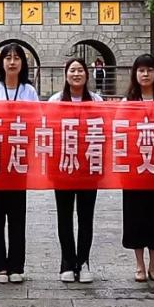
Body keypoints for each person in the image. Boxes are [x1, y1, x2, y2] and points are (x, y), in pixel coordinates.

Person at [0, 43, 40, 284]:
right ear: (1, 62)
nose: (12, 62)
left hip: (19, 158)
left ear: (23, 63)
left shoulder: (28, 91)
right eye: (7, 58)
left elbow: (36, 121)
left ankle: (16, 265)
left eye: (16, 58)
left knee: (17, 214)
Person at [48, 58, 103, 283]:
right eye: (72, 70)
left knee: (86, 217)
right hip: (63, 166)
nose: (76, 74)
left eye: (80, 70)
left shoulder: (97, 100)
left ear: (87, 74)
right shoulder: (55, 101)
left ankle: (84, 261)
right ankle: (67, 262)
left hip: (89, 166)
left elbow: (104, 133)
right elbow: (49, 133)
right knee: (64, 216)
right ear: (66, 74)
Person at [122, 54, 154, 282]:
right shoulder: (127, 102)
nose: (145, 74)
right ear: (135, 74)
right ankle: (139, 264)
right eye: (141, 70)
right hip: (135, 170)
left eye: (150, 70)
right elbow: (120, 133)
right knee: (136, 216)